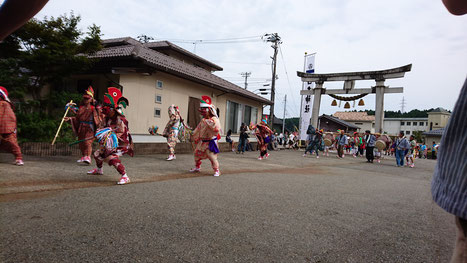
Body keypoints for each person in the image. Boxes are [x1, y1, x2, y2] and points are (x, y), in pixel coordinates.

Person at [87, 87, 134, 185]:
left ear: (113, 109)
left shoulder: (120, 120)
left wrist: (110, 135)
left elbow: (122, 132)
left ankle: (125, 176)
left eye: (109, 109)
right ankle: (99, 170)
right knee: (97, 154)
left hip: (118, 143)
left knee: (111, 158)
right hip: (107, 142)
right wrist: (100, 134)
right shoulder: (106, 118)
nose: (106, 111)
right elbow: (101, 127)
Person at [65, 86, 101, 164]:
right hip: (82, 127)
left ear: (91, 99)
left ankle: (88, 157)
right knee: (81, 142)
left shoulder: (93, 108)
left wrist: (96, 105)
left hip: (90, 127)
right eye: (84, 98)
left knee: (87, 142)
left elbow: (100, 115)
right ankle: (84, 156)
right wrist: (70, 118)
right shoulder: (81, 107)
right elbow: (77, 117)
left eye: (87, 98)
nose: (85, 100)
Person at [189, 96, 222, 177]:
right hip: (202, 142)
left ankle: (216, 170)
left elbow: (216, 128)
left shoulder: (214, 119)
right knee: (196, 154)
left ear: (209, 110)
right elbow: (198, 129)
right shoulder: (203, 120)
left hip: (210, 142)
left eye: (204, 109)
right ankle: (197, 167)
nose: (202, 111)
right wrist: (192, 133)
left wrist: (207, 121)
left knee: (212, 157)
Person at [0, 86, 23, 165]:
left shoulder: (4, 104)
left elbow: (9, 117)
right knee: (11, 143)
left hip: (7, 127)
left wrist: (10, 127)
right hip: (6, 127)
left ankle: (19, 158)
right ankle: (18, 158)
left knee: (12, 143)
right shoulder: (5, 104)